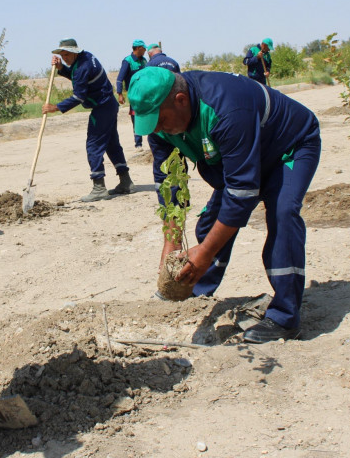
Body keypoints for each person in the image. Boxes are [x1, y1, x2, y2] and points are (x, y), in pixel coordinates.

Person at [128, 67, 321, 344]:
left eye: (159, 120)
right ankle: (196, 288)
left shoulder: (227, 108)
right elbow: (170, 182)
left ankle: (285, 317)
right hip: (244, 155)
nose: (156, 130)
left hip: (288, 147)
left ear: (181, 100)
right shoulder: (160, 125)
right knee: (210, 225)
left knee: (282, 215)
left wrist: (205, 252)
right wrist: (171, 243)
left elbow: (241, 192)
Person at [43, 38, 133, 200]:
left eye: (67, 55)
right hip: (109, 105)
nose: (65, 58)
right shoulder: (86, 58)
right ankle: (126, 181)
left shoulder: (81, 67)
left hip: (102, 108)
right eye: (62, 55)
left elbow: (78, 95)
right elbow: (79, 78)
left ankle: (99, 188)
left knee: (94, 144)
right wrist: (61, 68)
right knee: (112, 144)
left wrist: (56, 107)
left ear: (75, 52)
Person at [116, 39, 149, 149]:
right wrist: (120, 94)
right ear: (138, 48)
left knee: (149, 115)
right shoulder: (128, 61)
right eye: (144, 48)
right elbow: (120, 78)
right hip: (135, 95)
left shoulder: (144, 61)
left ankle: (152, 141)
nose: (145, 50)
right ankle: (138, 143)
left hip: (146, 94)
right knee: (136, 117)